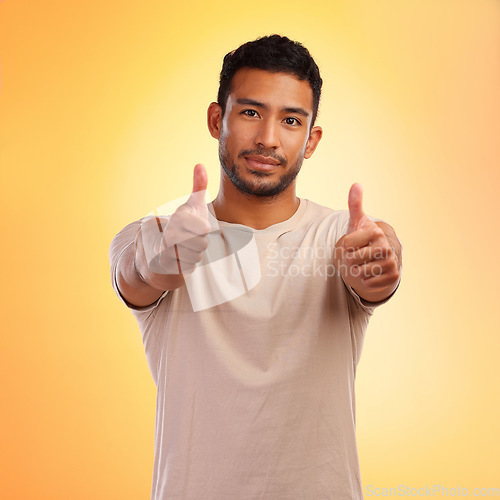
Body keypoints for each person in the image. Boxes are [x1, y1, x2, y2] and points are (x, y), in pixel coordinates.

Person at [109, 34, 402, 500]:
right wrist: (163, 262)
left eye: (290, 120)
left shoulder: (340, 239)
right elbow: (137, 272)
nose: (268, 137)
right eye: (250, 112)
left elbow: (379, 262)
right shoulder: (161, 234)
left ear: (311, 140)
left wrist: (378, 268)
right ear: (215, 119)